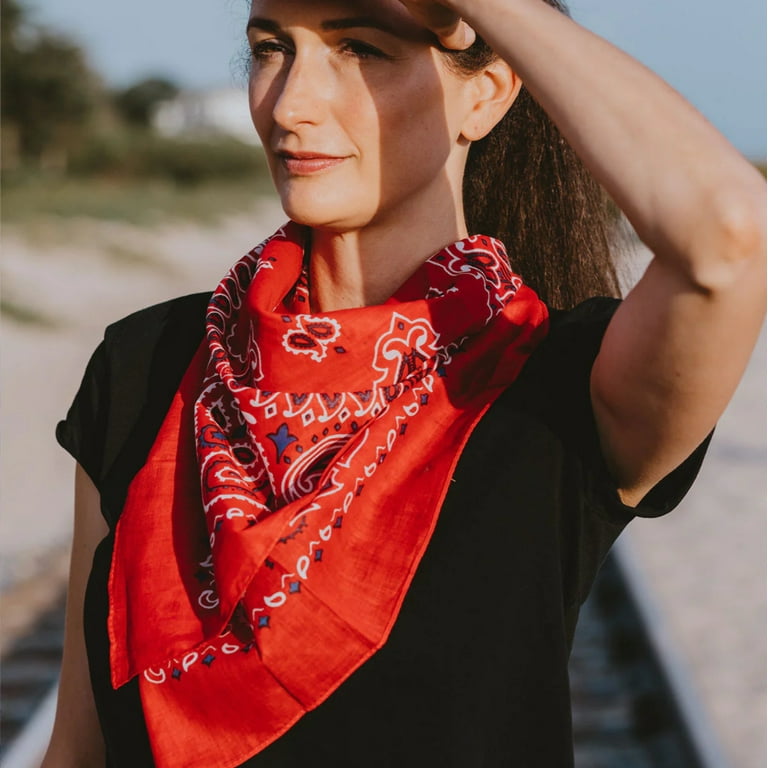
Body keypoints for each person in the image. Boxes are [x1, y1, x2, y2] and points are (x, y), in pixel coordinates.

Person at [42, 1, 765, 766]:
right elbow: (78, 753)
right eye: (270, 47)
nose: (290, 103)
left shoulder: (556, 384)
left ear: (485, 94)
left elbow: (728, 235)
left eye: (361, 47)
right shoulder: (146, 364)